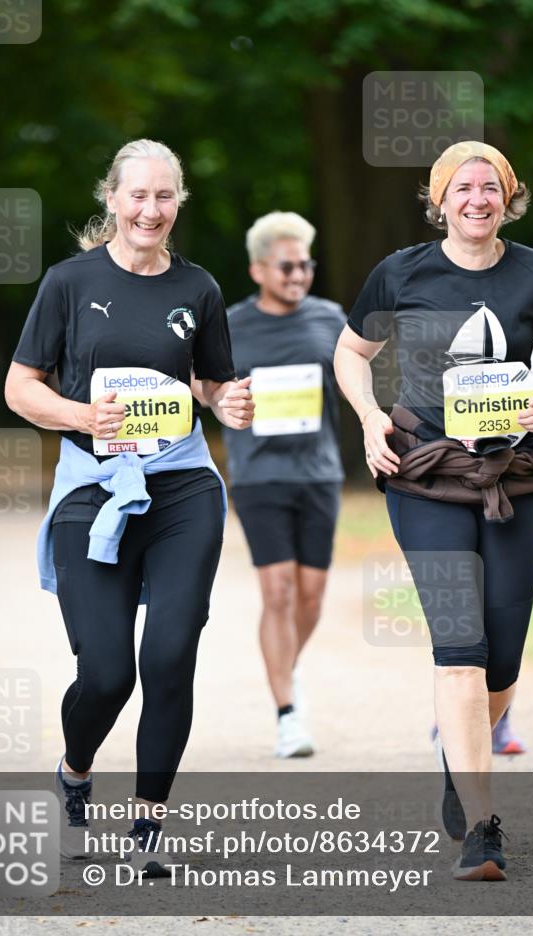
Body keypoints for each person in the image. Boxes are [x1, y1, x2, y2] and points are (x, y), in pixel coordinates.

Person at [5, 139, 254, 871]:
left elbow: (210, 384)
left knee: (170, 654)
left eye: (164, 196)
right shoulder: (68, 282)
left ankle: (147, 825)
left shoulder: (199, 288)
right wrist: (81, 417)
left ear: (178, 203)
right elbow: (21, 388)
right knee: (107, 672)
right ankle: (75, 768)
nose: (150, 210)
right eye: (136, 195)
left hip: (182, 486)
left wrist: (229, 401)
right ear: (111, 199)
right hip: (95, 489)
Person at [334, 141, 533, 881]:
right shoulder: (400, 271)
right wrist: (369, 419)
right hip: (424, 478)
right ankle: (482, 827)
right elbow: (349, 352)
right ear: (439, 200)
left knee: (500, 655)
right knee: (458, 648)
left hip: (511, 478)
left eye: (488, 187)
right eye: (461, 188)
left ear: (507, 196)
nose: (475, 199)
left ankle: (457, 759)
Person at [222, 211, 346, 758]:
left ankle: (282, 671)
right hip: (259, 475)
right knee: (277, 590)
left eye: (307, 265)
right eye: (287, 265)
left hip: (319, 474)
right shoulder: (229, 325)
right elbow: (208, 388)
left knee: (312, 597)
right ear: (258, 269)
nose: (299, 275)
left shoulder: (331, 318)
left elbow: (359, 378)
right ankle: (287, 712)